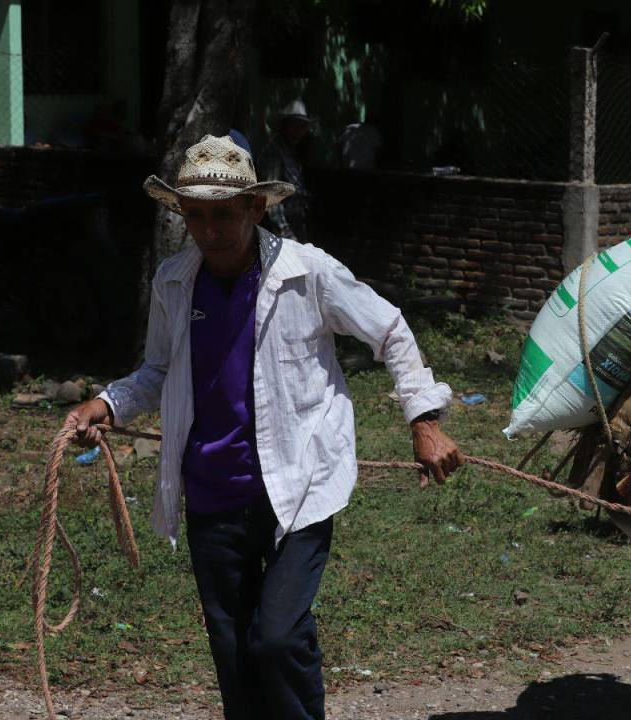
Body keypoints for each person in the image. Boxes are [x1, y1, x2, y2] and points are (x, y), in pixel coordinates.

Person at [65, 134, 464, 720]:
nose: (209, 231)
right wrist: (107, 404)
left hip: (297, 488)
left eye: (223, 215)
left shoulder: (308, 273)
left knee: (276, 638)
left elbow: (390, 331)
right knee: (232, 653)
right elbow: (158, 369)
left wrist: (424, 421)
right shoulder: (175, 281)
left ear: (256, 208)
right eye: (194, 216)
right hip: (211, 492)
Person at [259, 99, 313, 241]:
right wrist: (284, 231)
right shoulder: (274, 152)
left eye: (302, 126)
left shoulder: (292, 151)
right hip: (281, 224)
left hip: (296, 217)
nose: (298, 131)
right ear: (283, 126)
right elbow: (271, 194)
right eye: (294, 125)